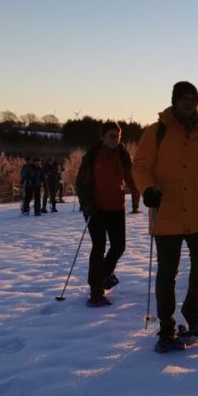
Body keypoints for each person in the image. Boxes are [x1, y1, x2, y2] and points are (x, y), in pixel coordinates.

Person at [133, 81, 198, 348]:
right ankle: (166, 328)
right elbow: (141, 166)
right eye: (184, 98)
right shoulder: (157, 131)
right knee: (167, 272)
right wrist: (147, 190)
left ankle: (190, 308)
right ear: (175, 101)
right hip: (167, 210)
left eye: (193, 99)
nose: (189, 103)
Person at [75, 121, 139, 307]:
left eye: (118, 136)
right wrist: (87, 205)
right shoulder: (93, 156)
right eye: (112, 136)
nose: (116, 139)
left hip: (117, 208)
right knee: (99, 246)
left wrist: (144, 190)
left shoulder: (123, 155)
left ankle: (102, 277)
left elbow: (131, 178)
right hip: (96, 209)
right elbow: (81, 183)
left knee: (119, 246)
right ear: (103, 137)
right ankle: (96, 291)